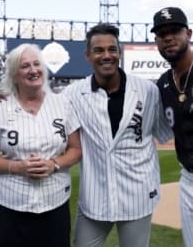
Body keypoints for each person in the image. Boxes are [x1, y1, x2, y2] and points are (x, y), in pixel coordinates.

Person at [63, 23, 173, 247]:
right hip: (94, 198)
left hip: (138, 196)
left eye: (112, 49)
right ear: (87, 55)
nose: (107, 55)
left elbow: (165, 132)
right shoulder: (72, 94)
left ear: (119, 53)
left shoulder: (148, 90)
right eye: (99, 50)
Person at [0, 43, 81, 247]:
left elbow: (76, 149)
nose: (33, 70)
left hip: (54, 203)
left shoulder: (63, 104)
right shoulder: (0, 107)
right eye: (25, 66)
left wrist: (53, 164)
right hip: (11, 205)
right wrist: (16, 166)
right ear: (14, 75)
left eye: (37, 64)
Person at [151, 7, 193, 247]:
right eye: (161, 33)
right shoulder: (163, 84)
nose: (168, 37)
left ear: (188, 33)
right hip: (188, 179)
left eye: (174, 30)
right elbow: (162, 131)